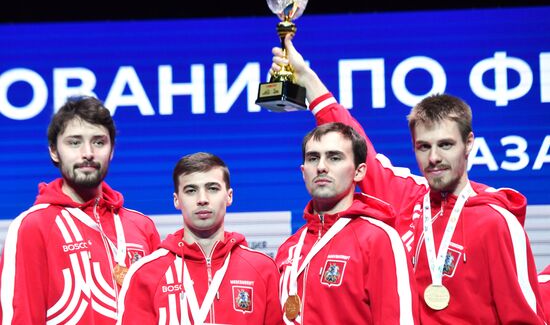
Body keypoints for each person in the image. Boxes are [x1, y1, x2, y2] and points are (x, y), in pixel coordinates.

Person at [271, 36, 547, 324]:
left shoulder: (497, 222)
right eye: (424, 146)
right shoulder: (405, 197)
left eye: (446, 145)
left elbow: (524, 318)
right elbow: (353, 142)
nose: (434, 158)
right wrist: (307, 78)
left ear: (469, 144)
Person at [0, 96, 161, 324]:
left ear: (112, 150)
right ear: (54, 152)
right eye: (74, 142)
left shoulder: (141, 226)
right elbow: (21, 317)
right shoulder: (32, 227)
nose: (88, 153)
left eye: (98, 142)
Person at [275, 122, 419, 324]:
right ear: (303, 171)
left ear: (359, 172)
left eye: (334, 158)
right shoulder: (289, 249)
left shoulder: (379, 239)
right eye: (313, 158)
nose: (321, 167)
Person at [117, 152, 283, 324]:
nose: (202, 199)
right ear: (177, 200)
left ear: (229, 196)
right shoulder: (145, 273)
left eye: (212, 188)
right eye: (191, 191)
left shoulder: (262, 269)